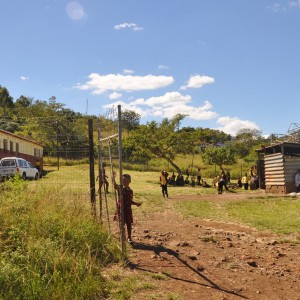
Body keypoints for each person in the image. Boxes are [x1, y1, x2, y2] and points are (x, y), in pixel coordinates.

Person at [113, 173, 142, 244]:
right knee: (121, 223)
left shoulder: (130, 191)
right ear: (122, 181)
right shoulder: (120, 188)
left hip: (128, 209)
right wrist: (113, 178)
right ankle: (122, 236)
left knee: (129, 223)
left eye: (126, 180)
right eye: (123, 180)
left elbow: (129, 200)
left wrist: (136, 204)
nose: (125, 182)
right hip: (121, 208)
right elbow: (115, 185)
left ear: (130, 181)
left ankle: (129, 237)